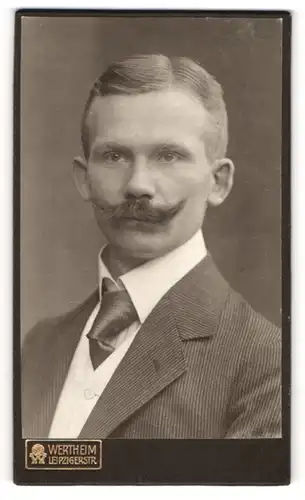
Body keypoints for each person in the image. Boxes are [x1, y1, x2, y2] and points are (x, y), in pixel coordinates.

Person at [22, 54, 281, 439]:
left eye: (169, 156)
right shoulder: (39, 345)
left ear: (218, 182)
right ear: (83, 178)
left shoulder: (270, 362)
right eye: (114, 156)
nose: (137, 185)